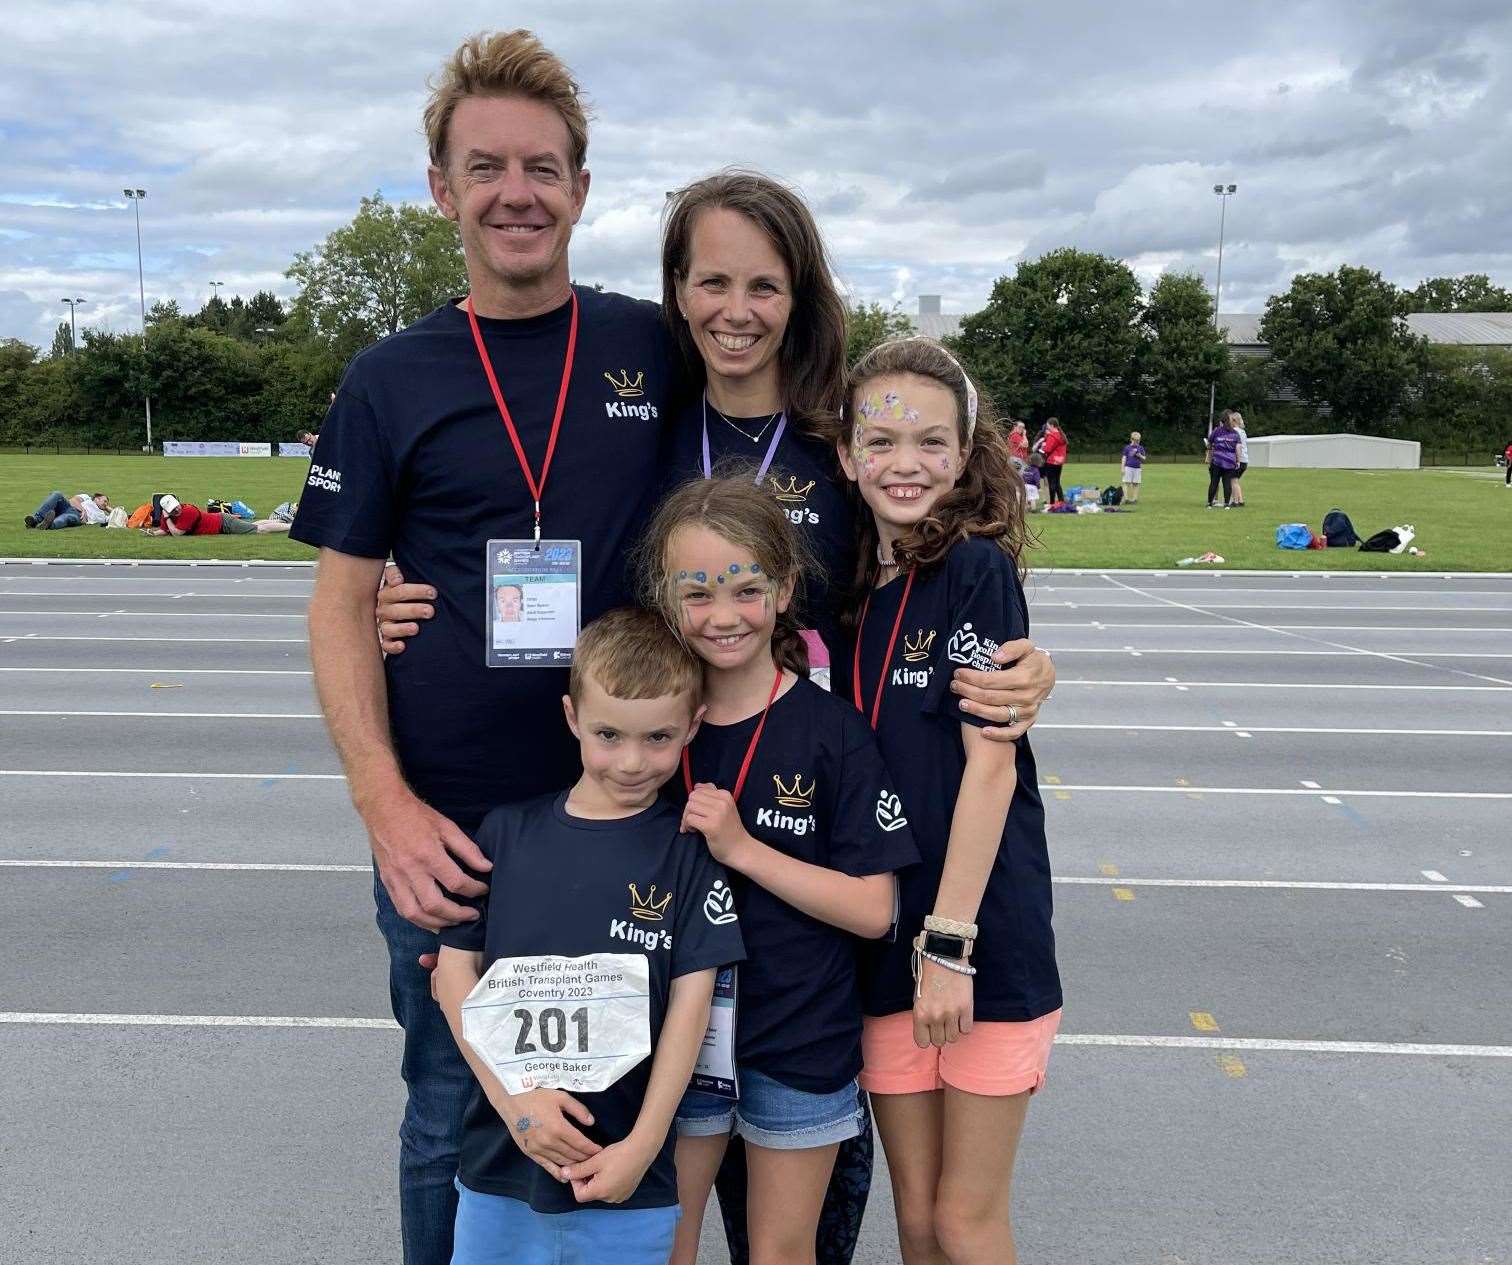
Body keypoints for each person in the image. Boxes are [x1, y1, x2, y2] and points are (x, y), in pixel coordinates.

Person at [379, 164, 1061, 1265]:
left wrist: (1028, 662)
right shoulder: (635, 424)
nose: (735, 310)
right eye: (710, 281)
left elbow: (934, 556)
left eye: (766, 284)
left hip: (816, 858)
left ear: (803, 296)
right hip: (661, 850)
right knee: (660, 1200)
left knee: (800, 1210)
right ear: (675, 288)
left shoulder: (845, 448)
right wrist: (401, 587)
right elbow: (513, 520)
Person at [290, 31, 678, 1265]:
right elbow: (339, 600)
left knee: (643, 1108)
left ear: (581, 188)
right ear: (441, 187)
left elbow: (804, 458)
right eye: (488, 166)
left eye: (545, 167)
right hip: (448, 828)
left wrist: (981, 581)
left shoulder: (649, 347)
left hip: (625, 810)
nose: (520, 191)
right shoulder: (388, 376)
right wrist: (383, 806)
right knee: (453, 1111)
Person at [636, 477, 918, 1265]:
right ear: (668, 597)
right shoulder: (650, 728)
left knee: (782, 1250)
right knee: (667, 1240)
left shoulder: (833, 734)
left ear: (785, 587)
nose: (723, 615)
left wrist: (745, 849)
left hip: (799, 1036)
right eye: (697, 593)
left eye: (746, 589)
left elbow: (873, 910)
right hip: (671, 1036)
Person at [839, 338, 1061, 1265]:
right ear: (846, 455)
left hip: (976, 941)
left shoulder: (974, 570)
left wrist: (950, 947)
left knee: (968, 1221)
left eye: (933, 442)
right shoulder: (848, 590)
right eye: (881, 439)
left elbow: (991, 769)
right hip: (884, 940)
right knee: (919, 1222)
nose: (905, 463)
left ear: (968, 454)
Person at [433, 607, 746, 1265]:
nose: (632, 762)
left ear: (691, 727)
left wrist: (643, 1145)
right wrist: (518, 1105)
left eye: (658, 738)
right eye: (609, 734)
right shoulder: (505, 836)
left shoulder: (688, 853)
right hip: (501, 1168)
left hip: (628, 1179)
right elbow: (453, 979)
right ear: (572, 716)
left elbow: (692, 1014)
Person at [143, 494, 292, 536]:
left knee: (259, 530)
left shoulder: (188, 511)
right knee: (255, 525)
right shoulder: (169, 516)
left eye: (176, 507)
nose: (177, 511)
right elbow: (165, 530)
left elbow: (176, 533)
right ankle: (284, 522)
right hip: (221, 523)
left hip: (223, 523)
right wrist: (153, 533)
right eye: (173, 510)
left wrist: (167, 518)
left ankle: (291, 526)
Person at [24, 490, 110, 530]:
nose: (106, 503)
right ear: (97, 498)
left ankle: (49, 524)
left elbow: (119, 514)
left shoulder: (103, 516)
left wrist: (107, 508)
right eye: (105, 501)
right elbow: (73, 500)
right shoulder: (87, 497)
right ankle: (35, 520)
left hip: (78, 517)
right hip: (68, 507)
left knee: (67, 518)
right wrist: (83, 510)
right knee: (57, 494)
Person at [1206, 411, 1241, 508]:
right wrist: (1238, 460)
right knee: (1227, 483)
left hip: (1217, 461)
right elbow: (1238, 448)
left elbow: (1209, 442)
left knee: (1214, 482)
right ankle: (1226, 504)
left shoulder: (1217, 431)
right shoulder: (1235, 433)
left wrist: (1209, 453)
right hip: (1230, 462)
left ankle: (1209, 503)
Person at [1037, 418, 1067, 505]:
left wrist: (1043, 447)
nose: (1047, 427)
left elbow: (1047, 449)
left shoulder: (1052, 436)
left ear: (1052, 425)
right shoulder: (1061, 435)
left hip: (1051, 461)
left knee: (1051, 483)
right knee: (1057, 482)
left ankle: (1052, 503)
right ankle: (1061, 501)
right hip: (1059, 461)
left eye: (1048, 425)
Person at [1120, 431, 1146, 507]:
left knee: (1136, 484)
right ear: (1131, 439)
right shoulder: (1127, 448)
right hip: (1128, 467)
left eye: (1139, 440)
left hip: (1137, 468)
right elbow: (1124, 458)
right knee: (1126, 483)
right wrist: (1122, 468)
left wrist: (1139, 455)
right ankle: (1126, 498)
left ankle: (1134, 499)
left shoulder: (1141, 448)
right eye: (1136, 440)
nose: (1137, 442)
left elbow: (1144, 458)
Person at [1229, 412, 1249, 508]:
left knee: (1233, 480)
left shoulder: (1234, 431)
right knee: (1236, 480)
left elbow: (1236, 446)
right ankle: (1240, 500)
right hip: (1245, 460)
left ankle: (1235, 501)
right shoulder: (1242, 431)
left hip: (1238, 459)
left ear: (1234, 421)